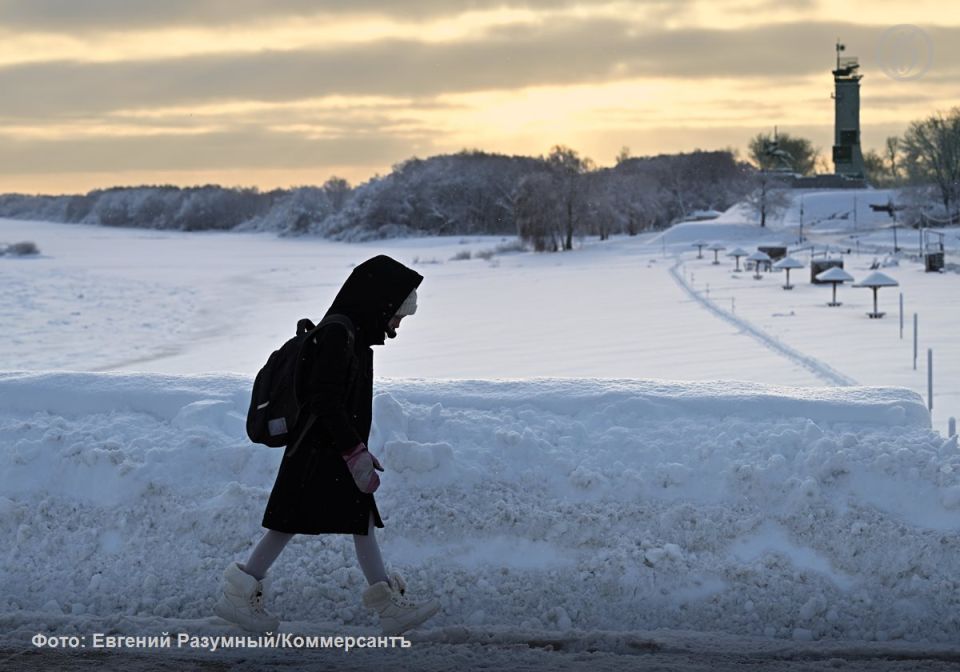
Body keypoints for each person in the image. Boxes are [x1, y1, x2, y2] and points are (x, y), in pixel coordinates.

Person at [215, 255, 440, 635]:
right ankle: (239, 593)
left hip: (328, 450)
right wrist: (354, 452)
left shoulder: (351, 334)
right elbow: (325, 399)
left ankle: (387, 606)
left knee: (355, 519)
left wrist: (357, 452)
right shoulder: (339, 334)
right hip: (318, 452)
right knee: (291, 523)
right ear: (380, 303)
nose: (397, 326)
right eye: (398, 315)